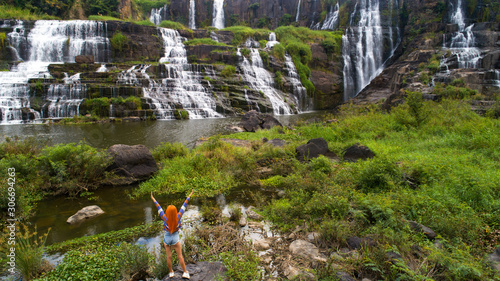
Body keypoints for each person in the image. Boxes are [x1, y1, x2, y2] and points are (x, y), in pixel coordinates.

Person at [151, 190, 194, 279]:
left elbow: (158, 207)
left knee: (169, 256)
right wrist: (190, 195)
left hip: (167, 238)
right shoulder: (178, 216)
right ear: (175, 212)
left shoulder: (164, 217)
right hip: (175, 238)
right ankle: (185, 272)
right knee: (180, 256)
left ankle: (171, 272)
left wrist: (153, 198)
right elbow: (184, 205)